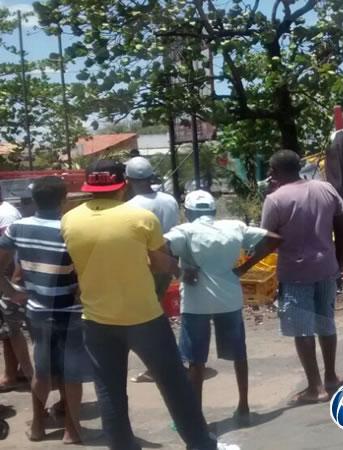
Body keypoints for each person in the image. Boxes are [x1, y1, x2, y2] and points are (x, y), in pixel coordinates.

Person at [61, 160, 217, 450]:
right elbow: (159, 263)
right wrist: (179, 268)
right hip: (143, 316)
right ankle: (200, 444)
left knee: (109, 390)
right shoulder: (140, 217)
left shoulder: (70, 219)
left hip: (97, 319)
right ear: (123, 184)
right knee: (174, 383)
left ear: (89, 187)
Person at [165, 190, 281, 424]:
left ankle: (194, 415)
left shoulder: (184, 231)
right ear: (213, 211)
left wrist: (178, 271)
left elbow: (158, 247)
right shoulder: (234, 227)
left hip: (196, 303)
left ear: (187, 212)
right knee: (239, 354)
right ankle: (244, 405)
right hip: (229, 298)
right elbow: (275, 239)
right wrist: (245, 267)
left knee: (196, 361)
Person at [0, 176, 92, 443]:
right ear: (63, 200)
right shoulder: (70, 228)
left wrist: (11, 292)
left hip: (37, 309)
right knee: (72, 372)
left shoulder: (18, 227)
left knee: (41, 371)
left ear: (33, 201)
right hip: (70, 309)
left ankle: (38, 427)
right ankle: (71, 431)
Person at [261, 150, 343, 404]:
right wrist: (340, 260)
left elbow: (268, 240)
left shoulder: (275, 200)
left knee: (303, 331)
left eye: (271, 170)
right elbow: (342, 226)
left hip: (296, 274)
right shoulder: (325, 189)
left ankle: (315, 388)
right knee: (326, 323)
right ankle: (331, 377)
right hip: (326, 268)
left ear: (276, 172)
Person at [125, 156, 180, 383]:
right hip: (168, 262)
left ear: (127, 180)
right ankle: (169, 361)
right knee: (157, 312)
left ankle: (159, 366)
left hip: (146, 265)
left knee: (147, 317)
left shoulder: (130, 207)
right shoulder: (169, 200)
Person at [0, 186, 33, 392]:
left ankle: (20, 373)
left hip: (9, 281)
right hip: (6, 280)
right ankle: (14, 373)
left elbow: (10, 254)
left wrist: (9, 286)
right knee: (7, 331)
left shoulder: (6, 214)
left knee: (11, 329)